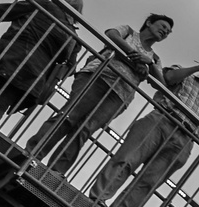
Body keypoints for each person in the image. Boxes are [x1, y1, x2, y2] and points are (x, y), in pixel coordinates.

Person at [87, 54, 199, 207]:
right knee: (126, 159)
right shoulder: (186, 75)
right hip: (161, 120)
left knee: (149, 181)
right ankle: (97, 199)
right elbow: (168, 78)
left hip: (185, 139)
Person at [26, 13, 171, 173]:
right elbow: (111, 34)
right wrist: (135, 58)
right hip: (98, 76)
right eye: (163, 26)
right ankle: (33, 153)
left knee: (85, 130)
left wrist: (148, 63)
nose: (165, 31)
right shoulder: (128, 31)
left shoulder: (154, 59)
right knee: (69, 116)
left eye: (168, 31)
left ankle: (55, 172)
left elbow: (161, 84)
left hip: (120, 95)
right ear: (149, 23)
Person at [0, 0, 83, 122]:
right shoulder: (73, 38)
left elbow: (10, 10)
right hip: (32, 74)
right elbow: (70, 68)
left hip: (8, 52)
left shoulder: (45, 6)